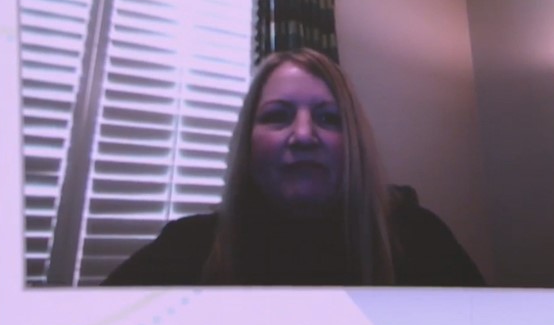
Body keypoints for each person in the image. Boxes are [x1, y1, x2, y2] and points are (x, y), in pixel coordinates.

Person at [102, 48, 484, 287]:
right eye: (277, 116)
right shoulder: (187, 248)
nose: (303, 135)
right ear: (247, 143)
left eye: (329, 118)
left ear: (354, 143)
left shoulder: (421, 240)